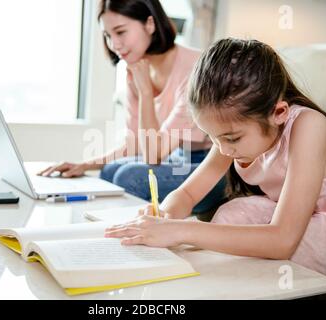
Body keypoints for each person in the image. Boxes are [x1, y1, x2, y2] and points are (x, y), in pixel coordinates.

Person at [104, 38, 326, 299]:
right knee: (232, 212)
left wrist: (181, 230)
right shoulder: (227, 133)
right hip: (295, 218)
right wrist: (164, 215)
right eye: (213, 137)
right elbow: (189, 194)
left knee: (252, 234)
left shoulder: (309, 126)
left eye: (231, 139)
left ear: (279, 112)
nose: (223, 149)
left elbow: (283, 240)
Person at [39, 0, 226, 214]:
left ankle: (141, 233)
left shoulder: (194, 69)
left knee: (129, 177)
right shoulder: (136, 70)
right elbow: (136, 142)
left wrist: (146, 92)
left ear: (149, 24)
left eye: (120, 32)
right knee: (109, 170)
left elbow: (153, 154)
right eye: (108, 35)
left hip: (211, 168)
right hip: (177, 157)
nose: (114, 44)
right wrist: (85, 164)